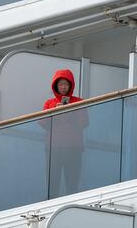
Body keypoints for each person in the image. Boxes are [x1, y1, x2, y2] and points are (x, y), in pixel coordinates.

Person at [42, 69, 88, 197]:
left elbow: (84, 122)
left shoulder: (78, 102)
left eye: (66, 84)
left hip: (74, 148)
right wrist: (55, 113)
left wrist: (69, 112)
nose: (63, 87)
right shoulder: (49, 103)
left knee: (72, 182)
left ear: (71, 85)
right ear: (56, 85)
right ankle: (50, 204)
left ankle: (71, 205)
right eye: (61, 84)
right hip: (53, 149)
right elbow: (42, 123)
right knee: (52, 183)